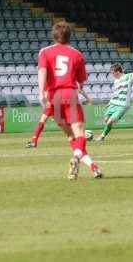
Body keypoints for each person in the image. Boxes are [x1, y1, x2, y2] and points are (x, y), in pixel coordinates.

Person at [38, 21, 102, 179]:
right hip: (69, 94)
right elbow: (81, 81)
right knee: (79, 134)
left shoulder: (44, 52)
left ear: (53, 35)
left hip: (54, 97)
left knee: (71, 137)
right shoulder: (76, 54)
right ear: (69, 36)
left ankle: (94, 167)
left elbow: (42, 71)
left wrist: (41, 93)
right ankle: (76, 158)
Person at [26, 86, 92, 148]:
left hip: (55, 102)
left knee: (67, 127)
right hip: (56, 102)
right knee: (43, 120)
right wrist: (88, 99)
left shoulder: (53, 80)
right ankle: (34, 141)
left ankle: (80, 138)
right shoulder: (64, 81)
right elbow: (80, 89)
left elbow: (46, 93)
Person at [96, 59, 133, 141]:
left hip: (122, 104)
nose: (112, 74)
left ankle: (102, 136)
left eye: (112, 72)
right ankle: (105, 132)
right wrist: (110, 102)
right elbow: (115, 93)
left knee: (110, 121)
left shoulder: (127, 77)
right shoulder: (115, 81)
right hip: (113, 103)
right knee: (106, 120)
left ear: (117, 71)